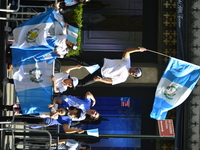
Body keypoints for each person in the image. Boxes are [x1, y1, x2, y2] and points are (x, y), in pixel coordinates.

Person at [68, 47, 147, 87]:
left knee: (83, 83)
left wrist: (101, 80)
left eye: (135, 74)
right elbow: (127, 51)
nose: (134, 72)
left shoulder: (123, 78)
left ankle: (66, 82)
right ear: (135, 68)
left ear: (133, 76)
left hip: (101, 75)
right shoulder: (127, 62)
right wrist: (138, 49)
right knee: (81, 61)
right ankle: (65, 55)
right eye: (136, 71)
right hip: (101, 64)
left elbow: (111, 81)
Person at [0, 106, 84, 134]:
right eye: (77, 113)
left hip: (44, 120)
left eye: (77, 116)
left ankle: (3, 119)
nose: (75, 115)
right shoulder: (66, 106)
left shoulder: (68, 120)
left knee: (20, 119)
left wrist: (76, 130)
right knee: (23, 110)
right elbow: (56, 100)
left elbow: (66, 130)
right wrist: (53, 106)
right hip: (42, 110)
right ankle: (6, 107)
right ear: (75, 109)